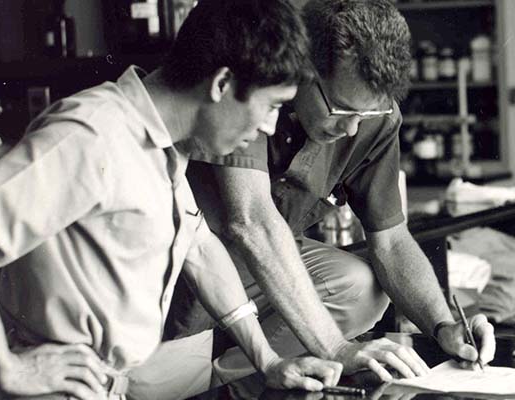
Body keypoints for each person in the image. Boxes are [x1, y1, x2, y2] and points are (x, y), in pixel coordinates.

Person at [0, 1, 344, 399]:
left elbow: (198, 249)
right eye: (270, 106)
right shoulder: (95, 132)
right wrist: (8, 368)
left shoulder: (165, 144)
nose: (271, 126)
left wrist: (268, 361)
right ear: (222, 83)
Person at [182, 0, 496, 384]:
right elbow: (251, 221)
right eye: (341, 109)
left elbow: (392, 241)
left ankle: (238, 381)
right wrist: (335, 348)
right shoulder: (255, 88)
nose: (351, 130)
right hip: (186, 261)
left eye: (366, 116)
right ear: (303, 68)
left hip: (257, 267)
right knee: (171, 369)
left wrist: (443, 324)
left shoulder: (373, 118)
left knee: (361, 285)